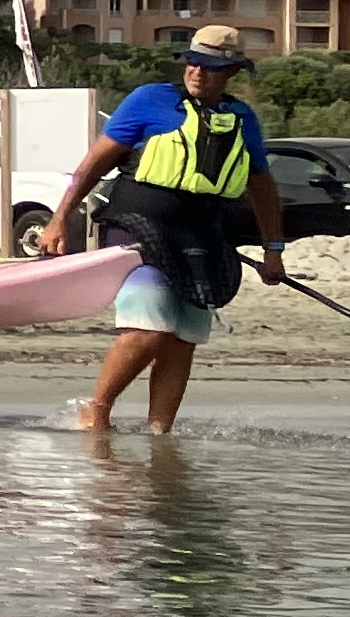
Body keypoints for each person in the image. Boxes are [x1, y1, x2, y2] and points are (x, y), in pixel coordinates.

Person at [45, 24, 290, 434]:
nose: (196, 72)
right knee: (149, 328)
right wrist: (58, 219)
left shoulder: (242, 119)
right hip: (136, 226)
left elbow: (261, 187)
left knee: (181, 338)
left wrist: (273, 250)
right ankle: (97, 411)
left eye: (209, 67)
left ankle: (160, 433)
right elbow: (93, 165)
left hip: (202, 237)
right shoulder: (149, 100)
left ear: (230, 72)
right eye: (192, 62)